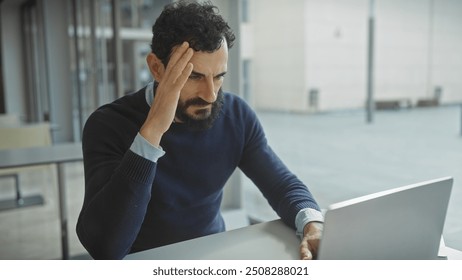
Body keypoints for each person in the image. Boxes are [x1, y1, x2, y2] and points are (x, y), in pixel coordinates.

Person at [76, 1, 324, 260]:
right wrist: (151, 133)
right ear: (157, 68)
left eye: (219, 76)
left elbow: (281, 185)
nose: (211, 94)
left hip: (212, 257)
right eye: (194, 77)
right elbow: (106, 248)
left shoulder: (236, 116)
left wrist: (312, 223)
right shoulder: (107, 125)